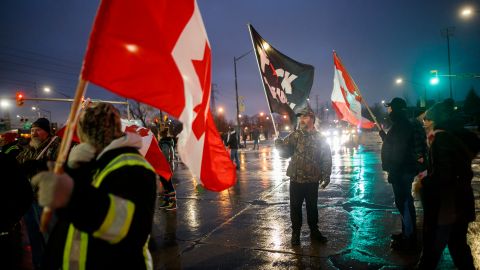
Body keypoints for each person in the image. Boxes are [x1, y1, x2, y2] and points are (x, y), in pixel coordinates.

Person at [32, 103, 157, 269]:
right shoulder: (90, 160)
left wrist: (72, 196)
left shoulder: (132, 165)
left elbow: (131, 226)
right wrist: (73, 170)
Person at [416, 101, 479, 269]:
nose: (424, 122)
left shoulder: (441, 138)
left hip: (446, 207)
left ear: (435, 120)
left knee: (431, 253)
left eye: (427, 119)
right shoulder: (456, 136)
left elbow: (443, 176)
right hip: (461, 202)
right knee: (459, 249)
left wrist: (423, 182)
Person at [275, 106, 332, 246]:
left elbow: (326, 158)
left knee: (312, 207)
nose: (301, 119)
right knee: (295, 207)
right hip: (296, 179)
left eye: (305, 117)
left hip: (312, 179)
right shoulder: (295, 135)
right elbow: (285, 154)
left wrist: (326, 175)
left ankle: (314, 231)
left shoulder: (320, 137)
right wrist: (279, 145)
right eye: (300, 117)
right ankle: (296, 233)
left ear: (312, 119)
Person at [16, 117, 61, 270]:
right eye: (32, 130)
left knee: (49, 237)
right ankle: (39, 264)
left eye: (38, 130)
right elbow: (18, 164)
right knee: (34, 236)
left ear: (46, 132)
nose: (34, 133)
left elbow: (62, 167)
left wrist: (41, 165)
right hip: (29, 199)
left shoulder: (56, 145)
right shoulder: (29, 148)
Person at [379, 97, 417, 250]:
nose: (388, 110)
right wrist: (385, 137)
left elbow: (399, 151)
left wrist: (393, 171)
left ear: (395, 109)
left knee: (405, 203)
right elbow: (394, 144)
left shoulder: (401, 125)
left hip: (401, 171)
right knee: (403, 203)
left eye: (390, 108)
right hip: (401, 170)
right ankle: (406, 233)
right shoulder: (400, 124)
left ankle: (409, 238)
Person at [0, 152, 33, 270]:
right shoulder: (7, 160)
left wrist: (9, 219)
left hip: (5, 232)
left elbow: (25, 194)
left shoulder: (6, 161)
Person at [158, 128, 177, 210]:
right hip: (167, 165)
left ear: (161, 134)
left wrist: (162, 164)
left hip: (165, 165)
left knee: (168, 184)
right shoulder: (167, 141)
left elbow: (165, 155)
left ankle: (172, 203)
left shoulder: (164, 142)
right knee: (166, 184)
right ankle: (167, 201)